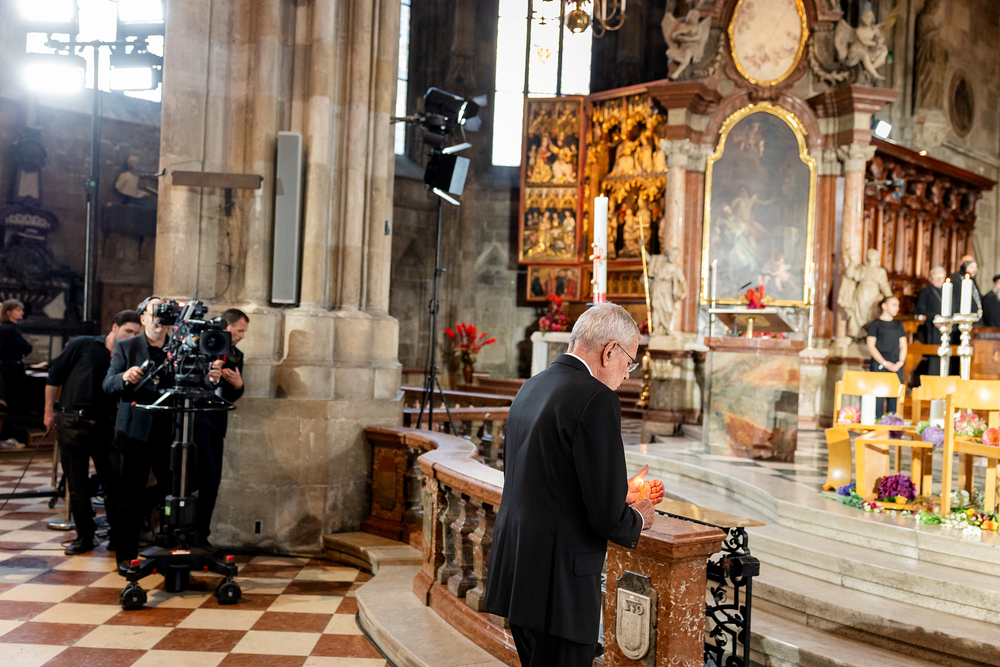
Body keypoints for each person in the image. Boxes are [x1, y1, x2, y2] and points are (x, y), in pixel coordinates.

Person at [484, 303, 664, 667]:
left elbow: (542, 475)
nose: (626, 374)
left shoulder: (533, 386)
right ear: (609, 350)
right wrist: (639, 517)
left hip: (518, 572)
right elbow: (606, 518)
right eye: (629, 362)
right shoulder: (597, 398)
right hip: (560, 587)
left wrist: (618, 489)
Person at [103, 296, 223, 567]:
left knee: (179, 489)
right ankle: (126, 557)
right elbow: (108, 384)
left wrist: (211, 380)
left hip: (170, 432)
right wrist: (124, 377)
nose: (159, 317)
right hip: (135, 432)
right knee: (129, 497)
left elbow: (195, 383)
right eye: (154, 311)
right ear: (143, 318)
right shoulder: (127, 347)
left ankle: (171, 549)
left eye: (164, 312)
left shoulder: (180, 347)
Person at [44, 310, 142, 555]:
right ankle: (85, 537)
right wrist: (48, 411)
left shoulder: (129, 356)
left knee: (114, 483)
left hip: (106, 424)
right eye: (128, 331)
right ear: (114, 327)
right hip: (72, 421)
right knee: (77, 485)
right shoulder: (84, 344)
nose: (131, 336)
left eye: (135, 333)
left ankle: (117, 536)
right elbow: (54, 374)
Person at [192, 308, 248, 546]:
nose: (242, 336)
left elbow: (232, 395)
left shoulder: (236, 355)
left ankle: (200, 535)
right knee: (196, 477)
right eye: (239, 330)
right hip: (195, 419)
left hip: (217, 421)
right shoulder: (201, 345)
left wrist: (239, 385)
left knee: (212, 480)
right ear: (227, 326)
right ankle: (183, 531)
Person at [866, 295, 907, 418]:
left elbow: (903, 346)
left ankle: (893, 422)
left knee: (894, 397)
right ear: (884, 306)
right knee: (878, 397)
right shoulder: (875, 324)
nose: (897, 308)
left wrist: (900, 362)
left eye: (898, 305)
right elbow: (871, 346)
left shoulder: (898, 325)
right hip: (880, 364)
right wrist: (884, 363)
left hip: (896, 364)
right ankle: (877, 421)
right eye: (894, 305)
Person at [0, 299, 32, 449]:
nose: (22, 313)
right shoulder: (9, 329)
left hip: (9, 367)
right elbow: (26, 347)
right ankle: (6, 436)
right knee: (12, 402)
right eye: (18, 310)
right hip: (11, 369)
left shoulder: (8, 328)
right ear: (9, 312)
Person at [913, 266, 947, 376]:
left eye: (941, 276)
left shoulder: (949, 291)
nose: (939, 278)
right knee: (934, 358)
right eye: (936, 276)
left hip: (948, 328)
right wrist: (934, 318)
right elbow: (919, 311)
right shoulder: (926, 292)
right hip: (932, 329)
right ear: (930, 278)